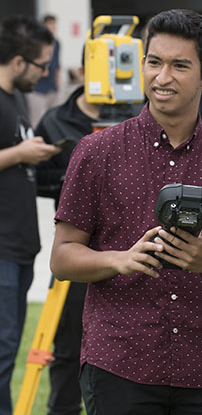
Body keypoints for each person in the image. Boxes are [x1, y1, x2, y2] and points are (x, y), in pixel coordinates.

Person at [50, 9, 202, 415]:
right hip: (118, 363)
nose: (161, 77)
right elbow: (62, 258)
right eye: (154, 62)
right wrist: (121, 259)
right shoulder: (97, 151)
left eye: (179, 65)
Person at [0, 15, 59, 415]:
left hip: (19, 249)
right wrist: (21, 154)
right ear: (19, 62)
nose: (45, 74)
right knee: (1, 355)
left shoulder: (15, 98)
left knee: (7, 352)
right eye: (42, 65)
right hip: (1, 251)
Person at [34, 65, 100, 415]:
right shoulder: (55, 120)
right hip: (74, 249)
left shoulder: (143, 117)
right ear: (85, 68)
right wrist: (72, 181)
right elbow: (36, 178)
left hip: (128, 250)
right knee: (67, 350)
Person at [26, 14, 62, 127]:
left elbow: (57, 65)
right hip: (38, 88)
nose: (53, 28)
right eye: (50, 25)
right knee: (37, 119)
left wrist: (58, 84)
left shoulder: (57, 43)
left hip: (52, 88)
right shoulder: (35, 43)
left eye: (54, 25)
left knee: (56, 118)